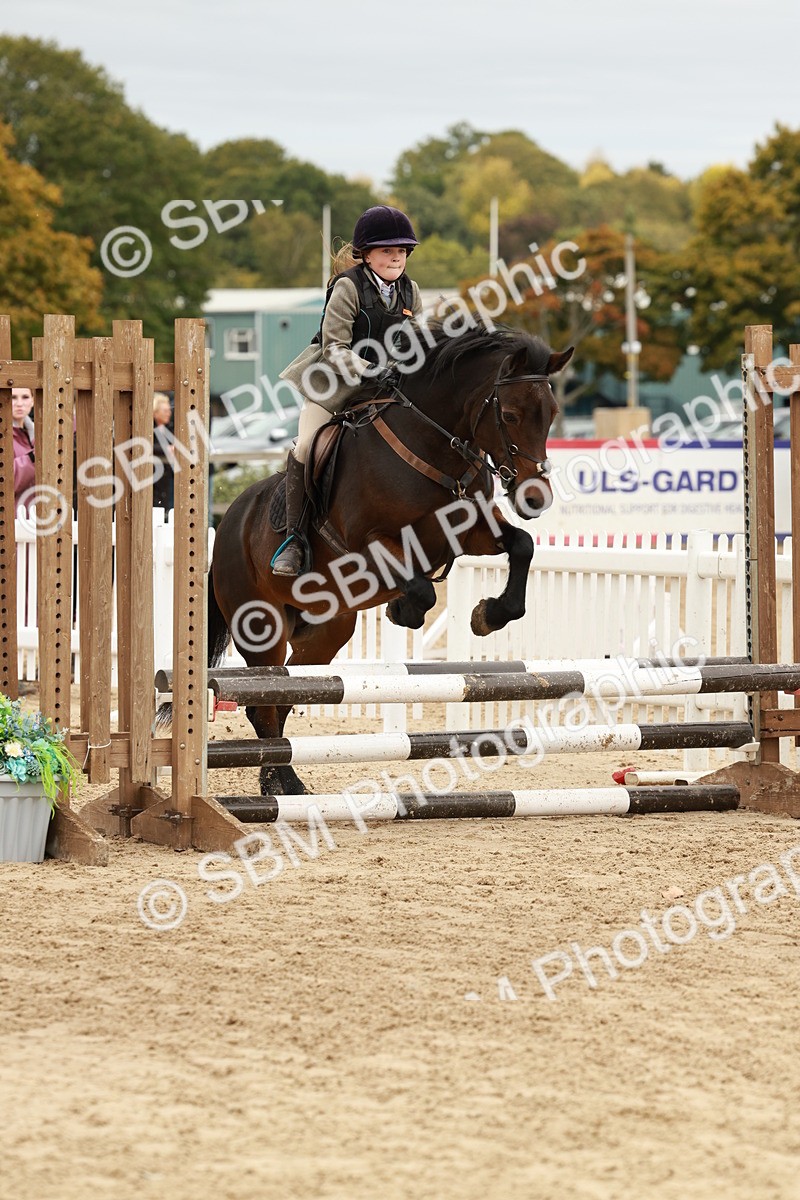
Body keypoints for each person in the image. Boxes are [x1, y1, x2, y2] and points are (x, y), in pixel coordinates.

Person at [272, 205, 423, 576]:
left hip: (383, 390)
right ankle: (293, 539)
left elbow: (419, 343)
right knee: (306, 447)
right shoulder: (348, 287)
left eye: (401, 251)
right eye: (387, 250)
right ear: (366, 254)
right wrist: (374, 370)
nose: (396, 257)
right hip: (334, 387)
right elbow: (334, 349)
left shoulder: (410, 291)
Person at [11, 387, 35, 512]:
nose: (19, 403)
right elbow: (5, 480)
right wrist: (33, 458)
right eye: (13, 397)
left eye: (25, 397)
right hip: (12, 519)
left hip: (38, 517)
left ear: (33, 401)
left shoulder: (38, 434)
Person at [152, 392, 175, 512]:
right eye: (165, 411)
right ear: (155, 413)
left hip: (168, 475)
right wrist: (166, 449)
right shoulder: (148, 428)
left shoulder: (170, 428)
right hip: (153, 476)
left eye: (169, 410)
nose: (169, 413)